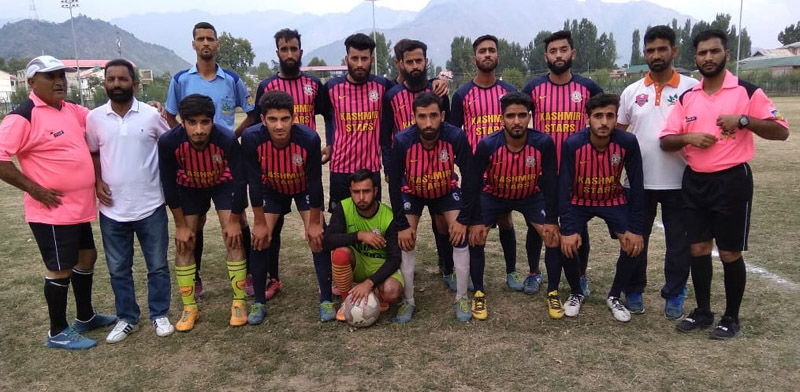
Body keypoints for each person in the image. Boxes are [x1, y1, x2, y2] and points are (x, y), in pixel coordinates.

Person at [660, 29, 789, 340]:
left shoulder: (746, 92)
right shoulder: (687, 97)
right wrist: (687, 138)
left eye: (714, 51)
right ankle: (703, 311)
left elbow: (781, 131)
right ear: (696, 58)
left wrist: (743, 121)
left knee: (730, 252)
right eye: (702, 53)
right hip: (694, 180)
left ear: (726, 55)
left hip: (732, 181)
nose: (708, 58)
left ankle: (731, 318)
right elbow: (665, 141)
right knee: (698, 248)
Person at [0, 55, 115, 349]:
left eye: (61, 76)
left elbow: (99, 116)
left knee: (87, 258)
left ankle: (86, 316)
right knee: (60, 268)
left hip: (78, 209)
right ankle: (57, 331)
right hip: (51, 211)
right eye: (50, 77)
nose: (59, 82)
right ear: (31, 82)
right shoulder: (22, 116)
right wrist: (33, 188)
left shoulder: (69, 110)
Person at [165, 22, 255, 299]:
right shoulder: (181, 79)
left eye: (210, 39)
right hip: (192, 166)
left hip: (224, 161)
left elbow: (251, 113)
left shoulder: (231, 79)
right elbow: (170, 116)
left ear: (217, 44)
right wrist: (186, 144)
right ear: (193, 44)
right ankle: (195, 276)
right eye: (200, 39)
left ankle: (247, 274)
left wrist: (232, 137)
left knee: (236, 222)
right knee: (195, 223)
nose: (205, 43)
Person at [86, 59, 174, 343]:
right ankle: (127, 319)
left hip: (150, 205)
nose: (116, 84)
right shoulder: (94, 118)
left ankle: (159, 313)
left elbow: (170, 142)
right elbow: (94, 153)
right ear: (104, 84)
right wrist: (97, 181)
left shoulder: (150, 115)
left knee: (157, 265)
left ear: (135, 84)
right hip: (112, 209)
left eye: (122, 79)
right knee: (118, 269)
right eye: (111, 79)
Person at [616, 25, 698, 319]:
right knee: (636, 237)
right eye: (650, 50)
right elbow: (618, 135)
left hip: (681, 180)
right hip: (639, 182)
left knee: (678, 241)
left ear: (674, 51)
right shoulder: (631, 92)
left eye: (662, 49)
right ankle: (634, 289)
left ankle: (675, 292)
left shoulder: (691, 88)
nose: (656, 55)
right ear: (644, 54)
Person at [243, 28, 331, 299]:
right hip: (273, 172)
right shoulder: (266, 86)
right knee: (268, 232)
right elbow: (257, 129)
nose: (290, 54)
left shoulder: (314, 85)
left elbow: (329, 114)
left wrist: (330, 144)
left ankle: (327, 288)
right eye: (284, 49)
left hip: (303, 165)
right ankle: (271, 281)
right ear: (278, 53)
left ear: (300, 52)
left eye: (294, 49)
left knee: (318, 231)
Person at [464, 92, 562, 320]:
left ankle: (553, 291)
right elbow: (473, 183)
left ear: (530, 117)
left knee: (552, 237)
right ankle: (479, 292)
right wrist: (476, 220)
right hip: (494, 194)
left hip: (530, 194)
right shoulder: (488, 144)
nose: (516, 121)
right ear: (502, 119)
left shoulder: (543, 142)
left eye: (521, 115)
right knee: (477, 236)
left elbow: (549, 182)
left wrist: (551, 220)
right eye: (510, 116)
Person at [522, 30, 604, 297]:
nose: (559, 55)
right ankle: (534, 272)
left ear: (572, 53)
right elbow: (517, 116)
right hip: (542, 172)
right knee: (539, 225)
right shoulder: (534, 88)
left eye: (563, 50)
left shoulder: (589, 88)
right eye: (553, 51)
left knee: (577, 225)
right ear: (546, 56)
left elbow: (604, 121)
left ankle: (580, 276)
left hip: (577, 173)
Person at [158, 94, 248, 331]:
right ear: (182, 121)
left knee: (233, 237)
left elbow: (240, 182)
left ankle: (239, 302)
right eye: (192, 123)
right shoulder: (169, 142)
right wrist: (180, 226)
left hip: (223, 184)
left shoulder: (227, 139)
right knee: (185, 242)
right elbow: (168, 184)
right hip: (188, 188)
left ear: (213, 121)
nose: (199, 129)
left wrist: (234, 221)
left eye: (205, 122)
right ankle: (189, 307)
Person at [241, 90, 333, 323]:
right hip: (271, 189)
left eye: (284, 119)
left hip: (302, 188)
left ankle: (326, 299)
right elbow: (253, 182)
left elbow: (314, 184)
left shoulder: (309, 139)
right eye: (272, 119)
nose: (279, 125)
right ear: (263, 120)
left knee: (318, 237)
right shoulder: (252, 138)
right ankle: (259, 301)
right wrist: (260, 223)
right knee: (260, 239)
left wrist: (313, 223)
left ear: (293, 118)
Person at [450, 34, 525, 294]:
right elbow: (455, 133)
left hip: (505, 170)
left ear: (498, 56)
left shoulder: (510, 92)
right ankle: (473, 273)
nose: (487, 54)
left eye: (492, 50)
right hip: (475, 172)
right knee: (474, 224)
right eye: (482, 51)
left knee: (505, 221)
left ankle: (511, 270)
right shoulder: (461, 94)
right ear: (475, 58)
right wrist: (463, 164)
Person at [559, 93, 644, 323]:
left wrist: (636, 228)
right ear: (587, 119)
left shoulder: (627, 142)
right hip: (579, 200)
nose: (604, 122)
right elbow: (564, 189)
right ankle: (576, 292)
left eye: (609, 116)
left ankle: (615, 295)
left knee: (633, 242)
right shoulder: (573, 144)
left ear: (617, 118)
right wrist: (567, 229)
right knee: (566, 243)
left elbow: (637, 185)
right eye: (598, 116)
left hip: (612, 199)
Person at [389, 92, 472, 322]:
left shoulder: (455, 136)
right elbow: (394, 186)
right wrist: (402, 224)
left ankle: (462, 297)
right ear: (413, 117)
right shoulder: (403, 140)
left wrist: (464, 218)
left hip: (445, 190)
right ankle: (409, 301)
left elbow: (471, 176)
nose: (428, 123)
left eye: (433, 116)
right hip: (412, 192)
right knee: (405, 239)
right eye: (422, 116)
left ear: (442, 115)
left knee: (459, 234)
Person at [382, 39, 456, 292]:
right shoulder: (391, 95)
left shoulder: (439, 91)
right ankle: (404, 278)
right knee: (405, 226)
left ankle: (446, 266)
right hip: (406, 172)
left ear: (426, 61)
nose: (415, 66)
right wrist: (388, 166)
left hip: (438, 169)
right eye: (410, 61)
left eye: (419, 61)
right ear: (401, 64)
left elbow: (450, 128)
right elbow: (385, 134)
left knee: (442, 222)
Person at [323, 169, 404, 322]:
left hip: (380, 267)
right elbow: (328, 242)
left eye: (366, 191)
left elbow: (394, 259)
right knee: (340, 253)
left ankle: (374, 294)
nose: (361, 197)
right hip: (358, 263)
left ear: (375, 191)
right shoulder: (344, 208)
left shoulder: (388, 216)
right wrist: (359, 235)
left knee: (393, 291)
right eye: (356, 192)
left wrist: (369, 283)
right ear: (350, 191)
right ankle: (348, 301)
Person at [324, 33, 392, 211]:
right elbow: (315, 111)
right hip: (340, 169)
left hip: (370, 169)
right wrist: (329, 143)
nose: (360, 64)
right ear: (347, 59)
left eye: (364, 58)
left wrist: (435, 81)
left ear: (372, 59)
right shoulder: (331, 87)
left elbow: (408, 86)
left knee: (370, 218)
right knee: (341, 220)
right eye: (355, 58)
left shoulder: (383, 85)